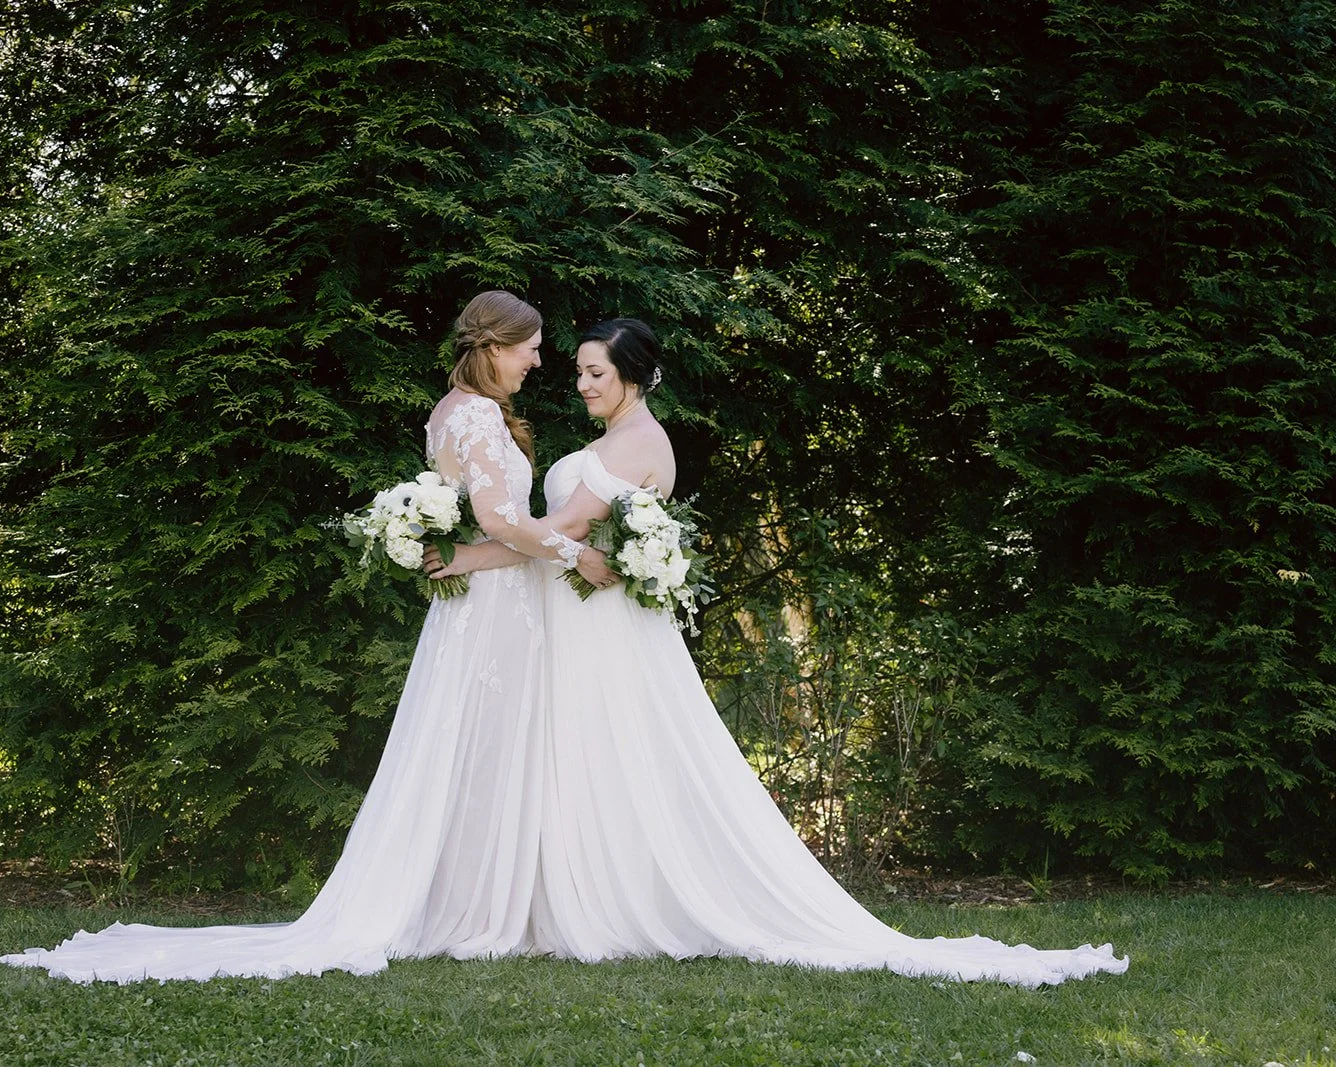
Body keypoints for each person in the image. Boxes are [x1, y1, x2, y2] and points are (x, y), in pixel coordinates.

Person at [432, 318, 1129, 986]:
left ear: (633, 378)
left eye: (594, 372)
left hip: (599, 623)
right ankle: (568, 892)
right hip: (579, 620)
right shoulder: (621, 436)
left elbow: (558, 528)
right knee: (591, 755)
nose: (579, 383)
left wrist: (468, 554)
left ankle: (608, 901)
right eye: (580, 370)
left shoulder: (631, 445)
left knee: (608, 751)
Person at [1, 291, 611, 982]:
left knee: (478, 748)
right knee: (483, 747)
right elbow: (498, 518)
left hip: (490, 599)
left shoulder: (456, 410)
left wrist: (487, 552)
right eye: (530, 345)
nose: (538, 357)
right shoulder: (473, 414)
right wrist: (576, 552)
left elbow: (483, 534)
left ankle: (483, 900)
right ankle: (471, 910)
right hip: (496, 609)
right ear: (497, 345)